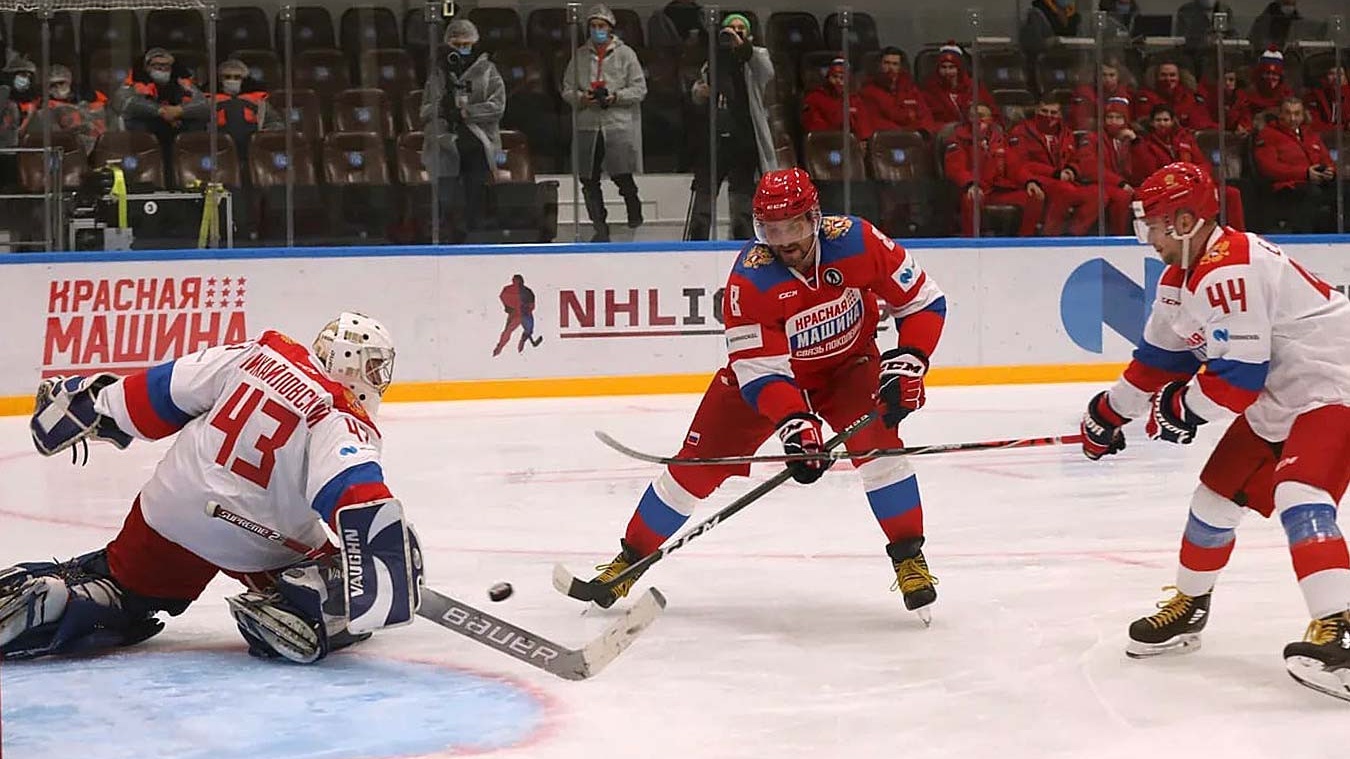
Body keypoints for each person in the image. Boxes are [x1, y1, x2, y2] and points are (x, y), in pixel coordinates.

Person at [581, 168, 947, 618]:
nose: (784, 240)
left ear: (814, 217)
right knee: (694, 469)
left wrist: (909, 360)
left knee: (881, 452)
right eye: (771, 229)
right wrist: (795, 424)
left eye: (792, 226)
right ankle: (630, 560)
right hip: (764, 382)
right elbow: (760, 371)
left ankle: (910, 559)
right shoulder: (750, 282)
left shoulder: (858, 241)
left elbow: (923, 301)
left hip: (848, 367)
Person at [1, 313, 421, 665]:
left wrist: (98, 404)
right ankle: (298, 608)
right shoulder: (341, 417)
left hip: (169, 508)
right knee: (363, 565)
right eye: (374, 367)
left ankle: (69, 596)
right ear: (353, 365)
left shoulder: (260, 353)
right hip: (261, 540)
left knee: (126, 589)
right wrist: (382, 559)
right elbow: (351, 489)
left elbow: (157, 395)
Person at [1079, 160, 1350, 702]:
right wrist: (1107, 414)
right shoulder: (1181, 277)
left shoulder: (1232, 266)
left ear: (1183, 221)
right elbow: (1159, 361)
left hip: (1334, 390)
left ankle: (1343, 638)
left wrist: (1181, 408)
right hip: (1283, 398)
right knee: (1214, 498)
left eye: (1152, 224)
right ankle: (1190, 607)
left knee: (1300, 494)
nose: (1147, 236)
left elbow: (1236, 379)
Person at [685, 12, 779, 241]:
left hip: (743, 139)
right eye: (730, 29)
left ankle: (741, 246)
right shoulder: (714, 59)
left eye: (740, 29)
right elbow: (698, 91)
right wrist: (700, 93)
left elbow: (767, 73)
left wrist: (741, 46)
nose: (735, 33)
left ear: (749, 34)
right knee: (702, 206)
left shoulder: (756, 56)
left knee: (742, 205)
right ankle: (696, 248)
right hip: (713, 140)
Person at [561, 4, 647, 242]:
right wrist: (582, 98)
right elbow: (567, 89)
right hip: (587, 124)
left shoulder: (626, 54)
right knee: (588, 179)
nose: (597, 30)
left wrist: (616, 97)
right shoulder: (578, 55)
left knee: (621, 174)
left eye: (601, 26)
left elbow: (640, 89)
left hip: (616, 123)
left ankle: (633, 207)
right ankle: (600, 226)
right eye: (593, 26)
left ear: (610, 28)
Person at [421, 18, 505, 243]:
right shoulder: (438, 73)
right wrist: (444, 108)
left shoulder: (488, 71)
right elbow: (425, 110)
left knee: (475, 192)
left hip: (478, 140)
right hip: (446, 141)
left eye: (466, 45)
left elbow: (497, 106)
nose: (461, 50)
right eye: (456, 45)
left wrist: (467, 112)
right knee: (447, 196)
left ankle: (474, 235)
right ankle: (449, 235)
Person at [1130, 104, 1246, 230]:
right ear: (1152, 123)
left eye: (1166, 120)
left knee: (1231, 193)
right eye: (1158, 120)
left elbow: (1202, 163)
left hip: (1193, 185)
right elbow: (1150, 169)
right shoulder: (1146, 143)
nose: (1162, 124)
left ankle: (1237, 232)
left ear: (1173, 121)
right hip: (1167, 188)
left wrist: (1197, 178)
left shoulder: (1185, 139)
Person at [944, 103, 1046, 237]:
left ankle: (1024, 241)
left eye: (981, 116)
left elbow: (1014, 166)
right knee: (971, 199)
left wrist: (1029, 182)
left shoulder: (999, 139)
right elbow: (955, 168)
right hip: (976, 190)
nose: (977, 120)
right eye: (973, 116)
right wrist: (971, 184)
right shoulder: (957, 139)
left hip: (998, 189)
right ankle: (970, 242)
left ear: (991, 119)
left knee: (1034, 196)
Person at [1008, 95, 1101, 236]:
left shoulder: (1066, 133)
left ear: (1060, 114)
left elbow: (1076, 159)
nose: (1049, 116)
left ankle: (1073, 235)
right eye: (1044, 111)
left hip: (1063, 179)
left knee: (1098, 194)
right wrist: (1055, 173)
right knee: (1065, 189)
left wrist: (1071, 170)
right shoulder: (1021, 131)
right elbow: (1020, 164)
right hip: (1035, 179)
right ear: (1036, 111)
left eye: (1053, 113)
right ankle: (1049, 236)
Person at [1253, 97, 1338, 233]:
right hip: (1287, 188)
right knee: (1310, 194)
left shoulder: (1311, 135)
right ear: (1280, 114)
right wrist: (1305, 173)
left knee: (1344, 191)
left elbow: (1326, 159)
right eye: (1288, 113)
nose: (1292, 118)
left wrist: (1330, 171)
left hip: (1318, 183)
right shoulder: (1267, 135)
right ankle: (1306, 239)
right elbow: (1268, 168)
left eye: (1297, 114)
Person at [179, 58, 281, 166]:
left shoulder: (259, 102)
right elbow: (194, 128)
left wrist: (263, 135)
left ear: (244, 79)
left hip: (253, 154)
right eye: (227, 77)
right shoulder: (205, 101)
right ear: (220, 79)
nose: (231, 80)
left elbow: (276, 123)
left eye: (237, 77)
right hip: (217, 154)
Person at [112, 48, 203, 160]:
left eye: (165, 65)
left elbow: (204, 105)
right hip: (143, 139)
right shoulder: (134, 83)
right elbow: (122, 102)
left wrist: (180, 111)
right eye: (156, 65)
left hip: (178, 136)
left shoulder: (183, 84)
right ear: (147, 67)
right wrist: (160, 111)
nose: (161, 68)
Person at [1072, 96, 1137, 234]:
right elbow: (1089, 167)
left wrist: (1137, 144)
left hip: (1124, 186)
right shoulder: (1092, 139)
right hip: (1098, 184)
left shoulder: (1133, 140)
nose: (1113, 122)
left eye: (1118, 118)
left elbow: (1144, 169)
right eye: (1109, 117)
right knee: (1120, 196)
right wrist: (1120, 183)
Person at [20, 63, 108, 153]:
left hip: (96, 146)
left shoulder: (90, 98)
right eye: (52, 85)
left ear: (69, 81)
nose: (57, 87)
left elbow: (102, 126)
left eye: (61, 83)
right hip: (64, 149)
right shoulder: (41, 106)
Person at [859, 47, 936, 137]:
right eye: (886, 63)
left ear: (900, 67)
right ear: (880, 65)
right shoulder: (868, 92)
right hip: (886, 141)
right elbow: (874, 122)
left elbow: (925, 116)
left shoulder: (911, 89)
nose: (890, 68)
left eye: (895, 64)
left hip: (915, 141)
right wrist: (905, 129)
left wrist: (922, 131)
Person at [920, 42, 996, 129]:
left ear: (959, 69)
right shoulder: (929, 91)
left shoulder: (974, 87)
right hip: (947, 135)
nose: (947, 72)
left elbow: (993, 114)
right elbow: (926, 122)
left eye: (951, 67)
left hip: (977, 132)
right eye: (943, 67)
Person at [801, 58, 878, 142]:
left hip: (851, 148)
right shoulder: (814, 98)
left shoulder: (855, 100)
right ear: (828, 77)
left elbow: (864, 130)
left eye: (842, 78)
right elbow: (814, 128)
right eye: (834, 76)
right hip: (823, 145)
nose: (838, 81)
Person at [1133, 61, 1215, 130]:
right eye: (1163, 75)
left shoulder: (1189, 97)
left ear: (1180, 77)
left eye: (1172, 75)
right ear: (1156, 77)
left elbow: (1202, 124)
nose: (1168, 79)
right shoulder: (1145, 97)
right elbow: (1144, 123)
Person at [1233, 47, 1293, 132]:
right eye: (1267, 73)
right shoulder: (1248, 94)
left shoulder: (1286, 94)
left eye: (1275, 74)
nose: (1271, 78)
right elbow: (1241, 116)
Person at [1068, 59, 1136, 131]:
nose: (1107, 79)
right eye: (1103, 75)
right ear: (1097, 76)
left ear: (1118, 76)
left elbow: (1131, 121)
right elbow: (1082, 123)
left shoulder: (1127, 93)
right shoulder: (1084, 93)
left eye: (1112, 75)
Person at [493, 274, 544, 355]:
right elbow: (502, 297)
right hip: (516, 315)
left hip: (524, 315)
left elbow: (532, 304)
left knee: (527, 330)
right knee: (509, 331)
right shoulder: (509, 289)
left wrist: (527, 309)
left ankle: (520, 343)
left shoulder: (527, 291)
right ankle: (500, 348)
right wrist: (507, 307)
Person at [1306, 65, 1348, 137]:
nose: (1336, 78)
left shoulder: (1347, 94)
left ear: (1346, 78)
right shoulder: (1313, 97)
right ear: (1324, 77)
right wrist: (1344, 127)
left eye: (1340, 74)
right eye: (1331, 74)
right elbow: (1316, 127)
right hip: (1325, 140)